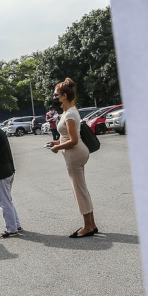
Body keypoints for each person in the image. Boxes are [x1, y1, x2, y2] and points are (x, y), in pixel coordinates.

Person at [49, 78, 97, 238]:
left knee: (79, 190)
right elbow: (68, 136)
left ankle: (87, 227)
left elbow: (73, 140)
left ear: (63, 95)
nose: (54, 97)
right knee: (82, 189)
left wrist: (57, 147)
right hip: (77, 152)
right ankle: (91, 224)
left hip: (74, 153)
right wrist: (57, 141)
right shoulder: (69, 111)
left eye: (56, 95)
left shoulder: (69, 114)